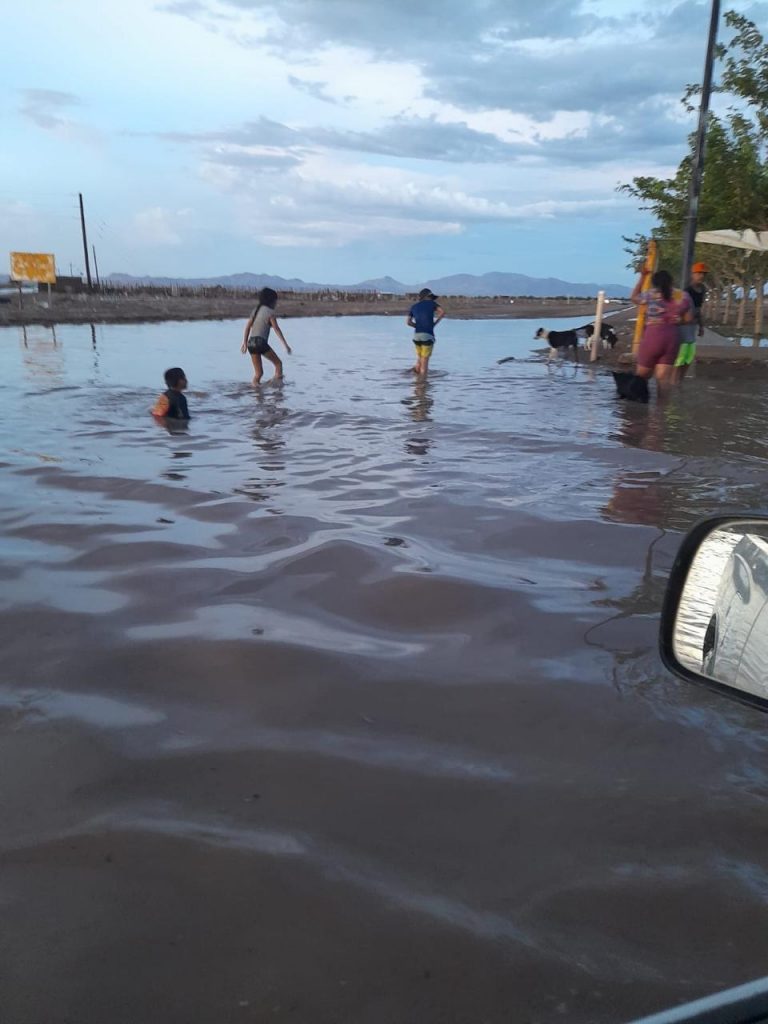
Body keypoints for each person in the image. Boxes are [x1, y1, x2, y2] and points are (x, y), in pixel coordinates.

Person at [630, 269, 691, 388]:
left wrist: (642, 277)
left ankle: (635, 406)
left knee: (640, 379)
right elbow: (689, 319)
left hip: (653, 336)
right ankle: (661, 406)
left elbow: (634, 297)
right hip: (672, 338)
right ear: (671, 281)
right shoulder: (682, 295)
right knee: (663, 383)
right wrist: (676, 320)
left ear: (655, 282)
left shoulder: (651, 294)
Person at [241, 287, 292, 383]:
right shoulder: (270, 312)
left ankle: (256, 393)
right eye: (275, 301)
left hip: (251, 343)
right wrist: (286, 345)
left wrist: (244, 343)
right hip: (260, 342)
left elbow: (247, 327)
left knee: (258, 374)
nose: (276, 304)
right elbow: (276, 329)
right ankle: (277, 392)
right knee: (278, 364)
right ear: (271, 301)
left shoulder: (256, 310)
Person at [674, 261, 708, 382]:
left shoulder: (703, 290)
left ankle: (680, 381)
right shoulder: (686, 291)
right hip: (682, 327)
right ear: (692, 274)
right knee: (680, 357)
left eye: (703, 273)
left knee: (689, 357)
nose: (701, 276)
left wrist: (701, 326)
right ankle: (674, 382)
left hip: (692, 327)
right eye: (699, 273)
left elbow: (699, 309)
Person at [406, 288, 444, 376]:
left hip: (417, 336)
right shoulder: (432, 304)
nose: (432, 299)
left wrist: (417, 326)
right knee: (425, 362)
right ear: (427, 297)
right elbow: (442, 312)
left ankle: (416, 382)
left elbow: (408, 322)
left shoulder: (414, 306)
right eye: (431, 297)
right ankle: (422, 384)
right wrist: (434, 323)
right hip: (427, 336)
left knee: (420, 359)